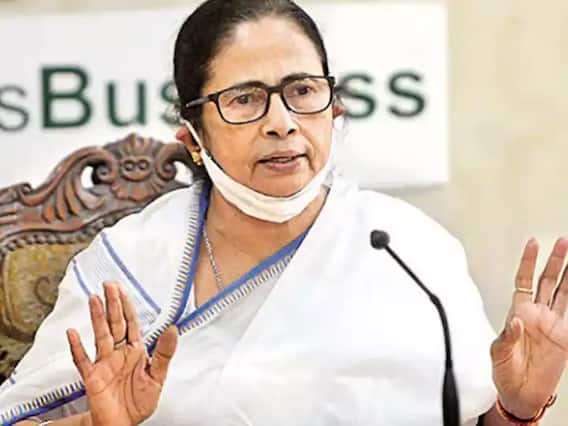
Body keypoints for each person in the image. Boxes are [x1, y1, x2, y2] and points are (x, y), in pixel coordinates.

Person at [1, 0, 568, 425]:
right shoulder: (130, 265)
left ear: (334, 108)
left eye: (302, 90)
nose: (282, 122)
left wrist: (517, 407)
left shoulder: (411, 250)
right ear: (193, 136)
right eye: (244, 99)